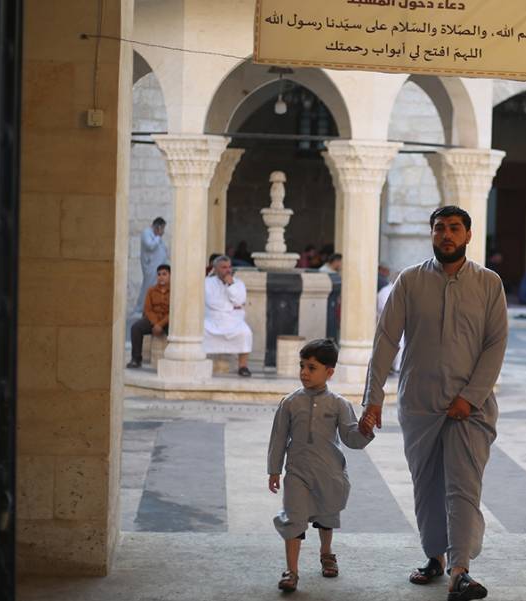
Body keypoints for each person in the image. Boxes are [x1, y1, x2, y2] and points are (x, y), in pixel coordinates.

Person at [360, 205, 507, 601]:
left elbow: (495, 346)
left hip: (470, 409)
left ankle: (461, 569)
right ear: (432, 234)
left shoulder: (489, 283)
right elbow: (385, 341)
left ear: (468, 236)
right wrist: (373, 399)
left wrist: (470, 397)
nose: (446, 235)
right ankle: (435, 558)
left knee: (463, 486)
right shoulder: (409, 282)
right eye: (440, 228)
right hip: (420, 402)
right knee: (426, 485)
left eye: (454, 228)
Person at [267, 339, 375, 593]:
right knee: (294, 518)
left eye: (312, 367)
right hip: (297, 472)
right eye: (302, 366)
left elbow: (351, 439)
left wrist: (365, 429)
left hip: (329, 473)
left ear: (329, 372)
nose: (304, 372)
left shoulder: (339, 404)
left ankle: (326, 552)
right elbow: (278, 438)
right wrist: (274, 469)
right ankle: (291, 572)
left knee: (327, 515)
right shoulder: (290, 402)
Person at [202, 255, 253, 377]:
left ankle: (243, 366)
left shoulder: (238, 283)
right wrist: (231, 307)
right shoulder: (207, 283)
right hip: (213, 319)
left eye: (229, 267)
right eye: (224, 267)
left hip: (233, 320)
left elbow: (240, 301)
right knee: (201, 331)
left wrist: (231, 285)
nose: (228, 270)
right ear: (215, 269)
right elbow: (211, 302)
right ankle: (201, 362)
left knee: (245, 332)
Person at [126, 264, 170, 369]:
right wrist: (155, 324)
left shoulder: (175, 291)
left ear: (170, 276)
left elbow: (173, 312)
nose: (161, 277)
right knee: (136, 328)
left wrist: (160, 324)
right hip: (153, 321)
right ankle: (136, 359)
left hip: (168, 321)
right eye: (159, 274)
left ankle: (171, 360)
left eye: (164, 274)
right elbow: (147, 309)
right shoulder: (151, 290)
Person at [135, 217, 169, 317]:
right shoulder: (146, 233)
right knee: (148, 287)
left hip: (158, 267)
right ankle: (140, 308)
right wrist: (158, 236)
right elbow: (150, 246)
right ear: (158, 227)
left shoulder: (156, 236)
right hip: (151, 267)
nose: (163, 231)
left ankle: (152, 307)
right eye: (162, 228)